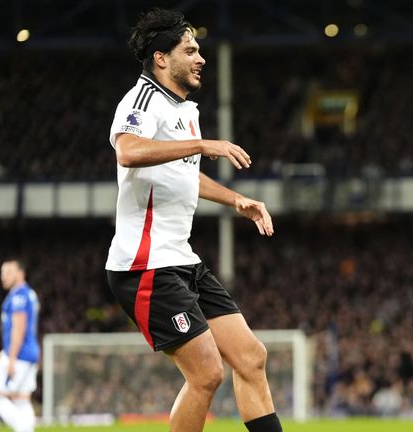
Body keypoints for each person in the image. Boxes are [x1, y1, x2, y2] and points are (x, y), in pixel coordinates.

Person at [105, 8, 281, 432]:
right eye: (191, 49)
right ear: (162, 58)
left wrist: (236, 200)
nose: (201, 57)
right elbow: (128, 150)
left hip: (180, 259)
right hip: (144, 265)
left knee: (250, 357)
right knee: (206, 373)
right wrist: (204, 144)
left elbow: (184, 172)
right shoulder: (141, 99)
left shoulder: (184, 110)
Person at [0, 260, 40, 432]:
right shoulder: (29, 293)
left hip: (19, 355)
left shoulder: (18, 296)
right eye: (2, 273)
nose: (3, 276)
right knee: (21, 400)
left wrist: (10, 358)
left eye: (8, 272)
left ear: (20, 273)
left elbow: (19, 329)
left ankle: (23, 429)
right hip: (29, 353)